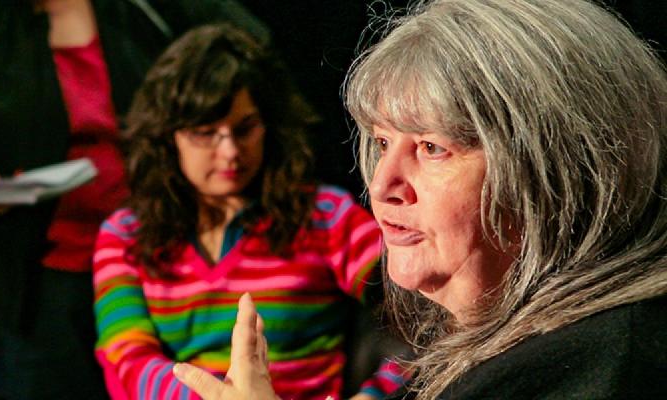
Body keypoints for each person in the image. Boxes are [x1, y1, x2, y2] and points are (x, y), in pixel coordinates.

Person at [172, 0, 667, 398]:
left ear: (561, 171)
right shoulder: (511, 348)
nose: (381, 185)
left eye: (433, 148)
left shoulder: (600, 372)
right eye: (383, 143)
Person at [0, 0, 269, 397]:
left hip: (152, 252)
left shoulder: (141, 9)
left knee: (156, 372)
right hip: (38, 277)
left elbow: (251, 49)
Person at [92, 25, 405, 400]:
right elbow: (126, 359)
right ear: (167, 136)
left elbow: (426, 316)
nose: (230, 152)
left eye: (245, 129)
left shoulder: (325, 216)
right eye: (206, 133)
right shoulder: (125, 234)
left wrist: (374, 397)